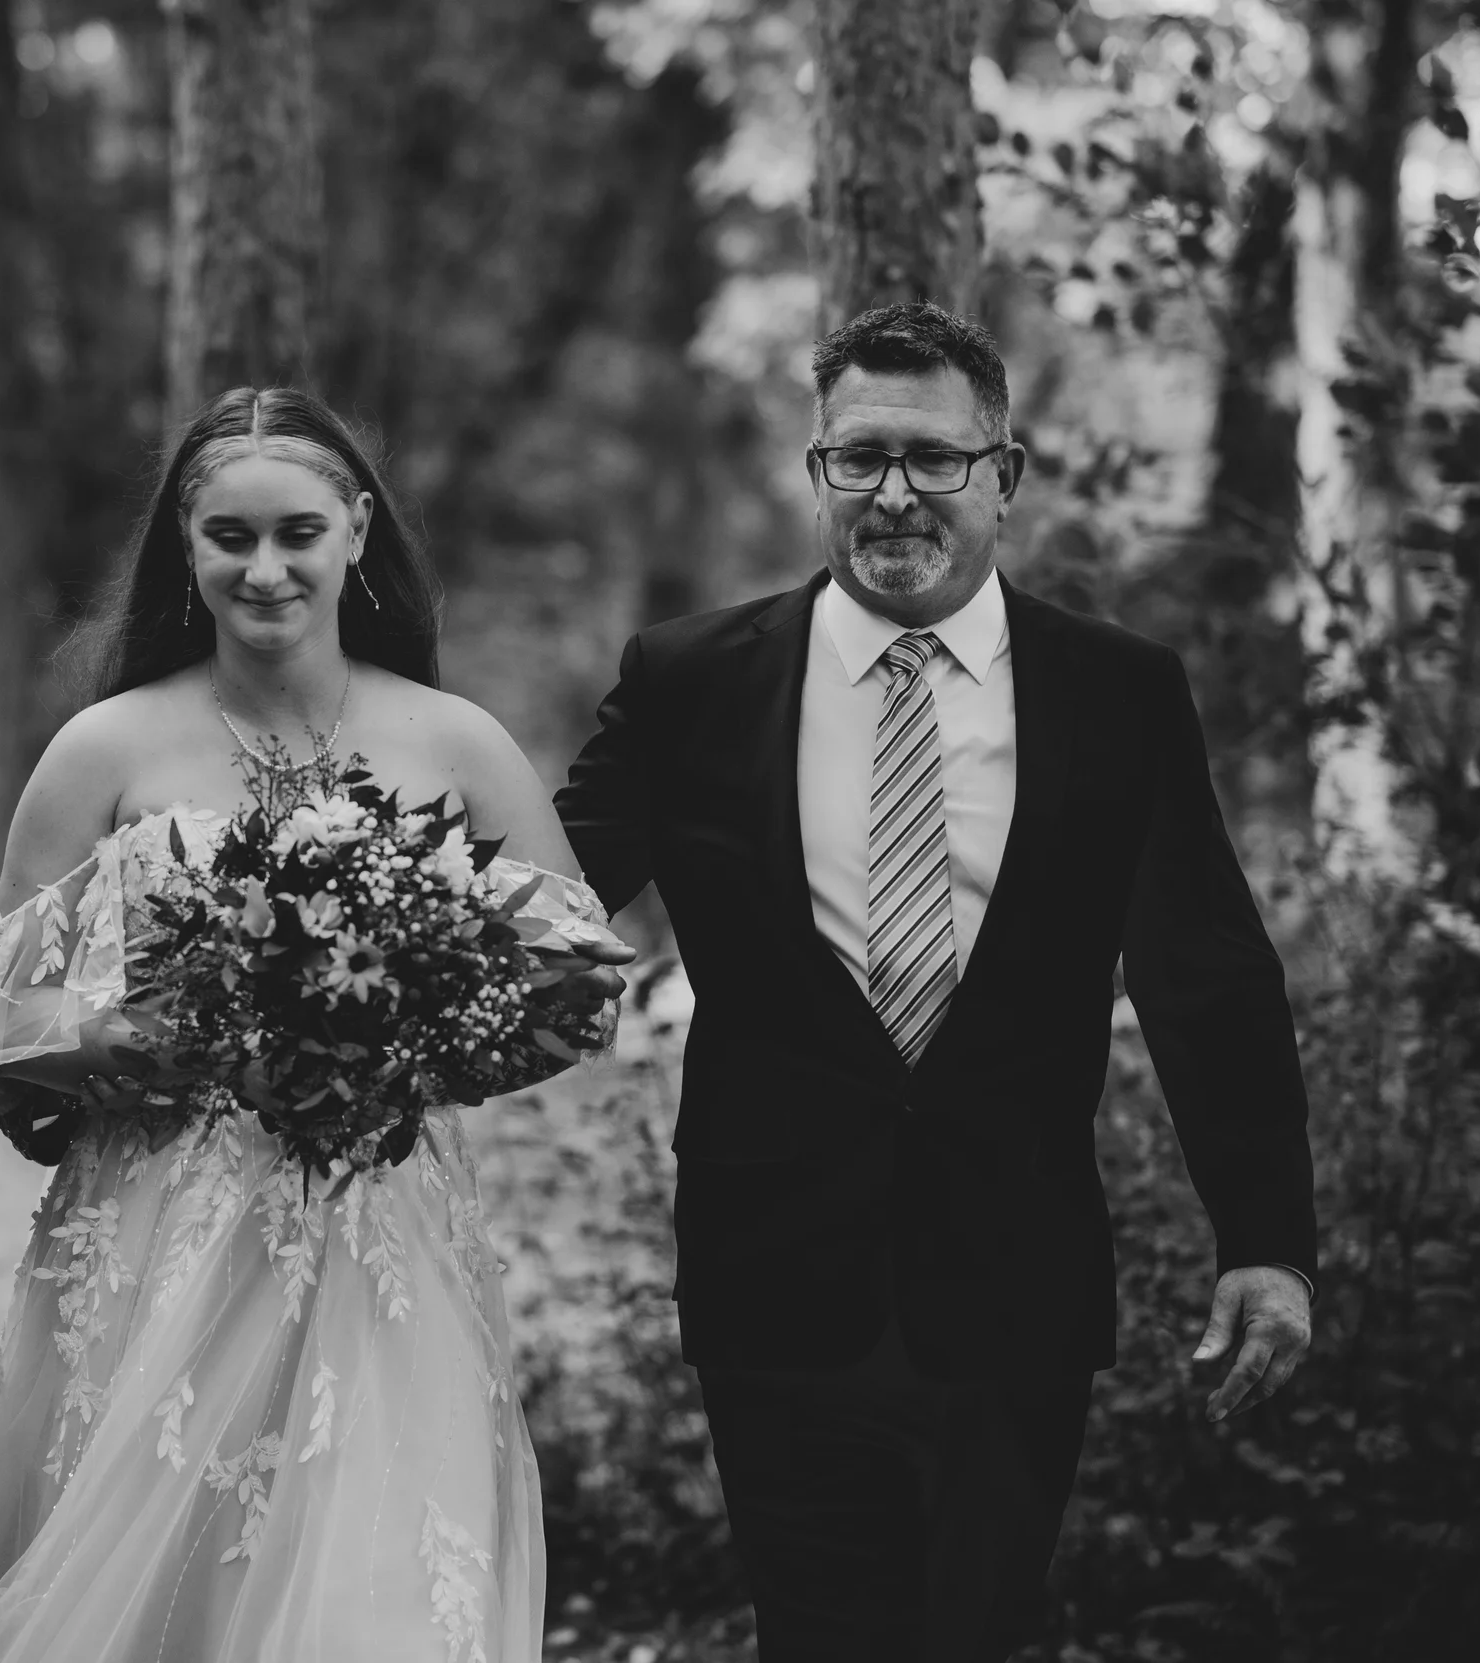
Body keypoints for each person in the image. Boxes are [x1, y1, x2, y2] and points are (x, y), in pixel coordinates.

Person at [556, 301, 1318, 1661]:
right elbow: (544, 901)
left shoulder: (1120, 692)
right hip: (776, 1273)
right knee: (822, 1633)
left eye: (934, 457)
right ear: (817, 472)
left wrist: (1265, 1234)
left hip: (1014, 1276)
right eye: (859, 457)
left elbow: (1205, 968)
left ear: (1004, 474)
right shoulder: (690, 683)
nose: (894, 491)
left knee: (977, 1629)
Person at [0, 387, 630, 1663]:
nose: (265, 567)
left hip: (383, 1233)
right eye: (228, 536)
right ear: (184, 547)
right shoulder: (103, 748)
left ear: (356, 528)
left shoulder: (455, 743)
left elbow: (578, 986)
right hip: (149, 1243)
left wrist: (410, 1043)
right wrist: (143, 1044)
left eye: (297, 531)